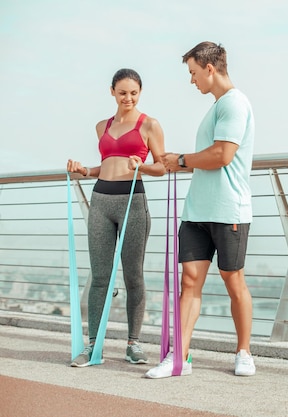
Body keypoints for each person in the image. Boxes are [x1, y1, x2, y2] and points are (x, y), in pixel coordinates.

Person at [144, 41, 255, 378]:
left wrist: (181, 160)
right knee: (189, 281)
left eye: (193, 72)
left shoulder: (235, 104)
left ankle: (244, 352)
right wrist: (179, 161)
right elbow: (207, 156)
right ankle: (180, 357)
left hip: (228, 210)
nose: (191, 80)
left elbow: (223, 155)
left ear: (209, 68)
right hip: (196, 212)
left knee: (233, 281)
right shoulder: (217, 107)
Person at [67, 68, 166, 367]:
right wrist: (84, 170)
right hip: (100, 201)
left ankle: (133, 344)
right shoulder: (102, 126)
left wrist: (142, 165)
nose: (128, 98)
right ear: (112, 92)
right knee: (99, 277)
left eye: (134, 93)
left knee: (133, 276)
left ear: (140, 93)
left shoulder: (149, 124)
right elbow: (106, 165)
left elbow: (162, 166)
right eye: (122, 92)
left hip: (133, 203)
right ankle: (93, 345)